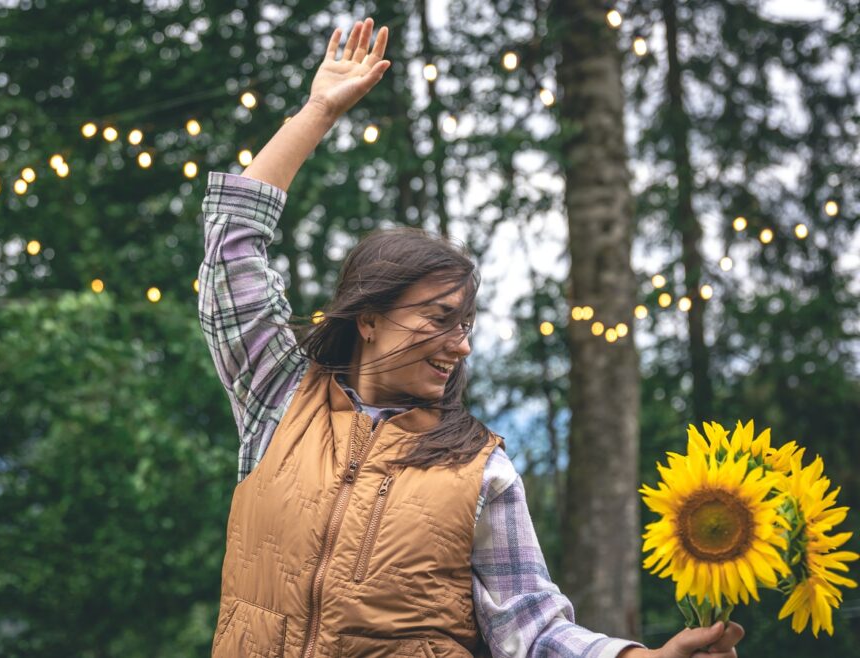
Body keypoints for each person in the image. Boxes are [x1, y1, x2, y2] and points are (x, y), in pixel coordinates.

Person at [198, 16, 745, 658]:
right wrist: (317, 111)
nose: (459, 346)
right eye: (437, 319)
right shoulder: (281, 399)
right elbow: (232, 239)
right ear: (367, 319)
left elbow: (534, 629)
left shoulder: (479, 467)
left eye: (465, 327)